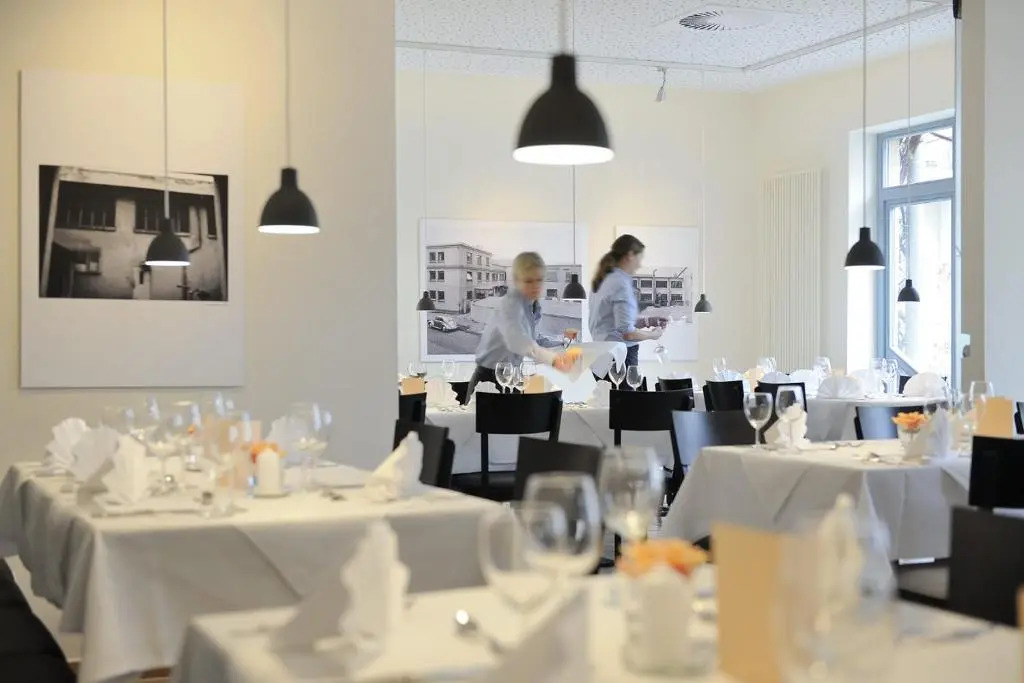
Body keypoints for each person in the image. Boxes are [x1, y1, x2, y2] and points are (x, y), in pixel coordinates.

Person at [468, 252, 574, 394]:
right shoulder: (510, 303)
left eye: (539, 280)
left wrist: (562, 342)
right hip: (490, 379)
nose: (535, 286)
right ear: (517, 281)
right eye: (529, 281)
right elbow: (517, 341)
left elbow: (534, 339)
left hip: (513, 376)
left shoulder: (534, 307)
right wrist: (554, 360)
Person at [589, 234, 664, 387]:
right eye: (639, 258)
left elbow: (613, 323)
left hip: (600, 360)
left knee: (605, 401)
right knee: (624, 403)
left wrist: (647, 321)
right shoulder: (621, 283)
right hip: (620, 360)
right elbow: (628, 333)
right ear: (630, 255)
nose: (639, 264)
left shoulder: (602, 280)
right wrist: (653, 335)